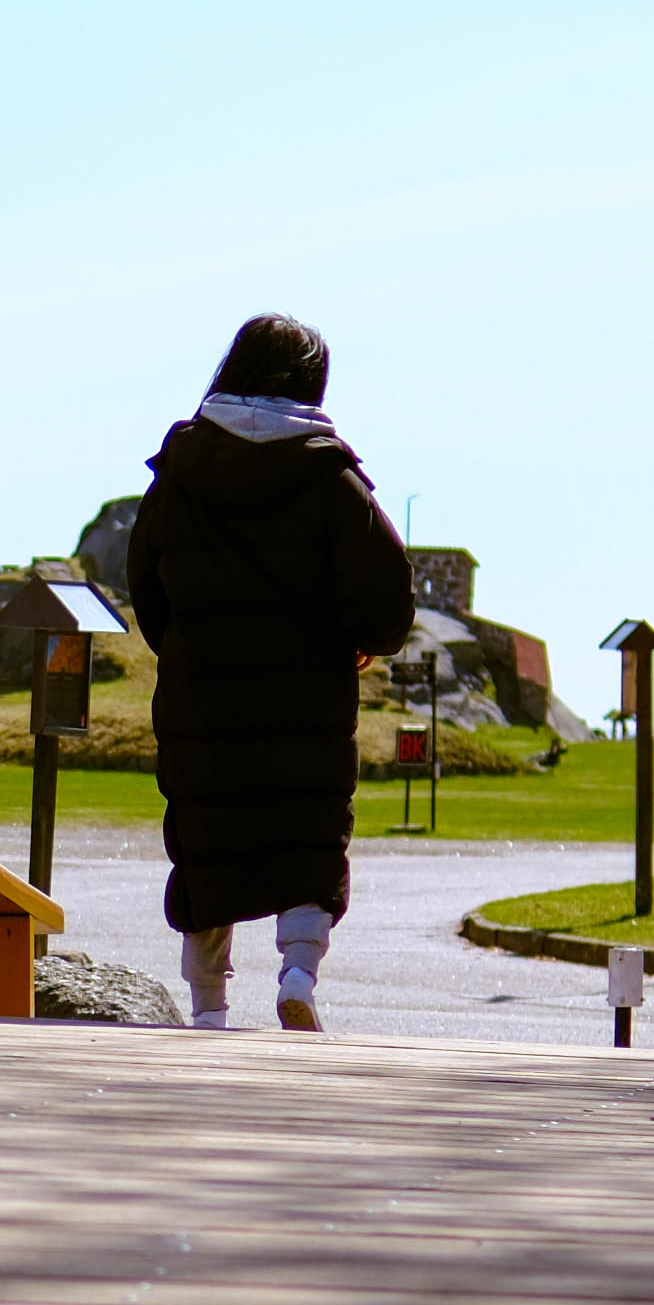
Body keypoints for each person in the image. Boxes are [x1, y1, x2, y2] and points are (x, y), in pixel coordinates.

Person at [126, 313, 422, 1028]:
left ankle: (209, 1007)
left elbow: (144, 581)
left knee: (207, 843)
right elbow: (388, 595)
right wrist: (362, 640)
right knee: (307, 838)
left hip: (203, 696)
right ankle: (296, 974)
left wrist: (188, 645)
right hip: (307, 698)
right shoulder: (330, 476)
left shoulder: (182, 467)